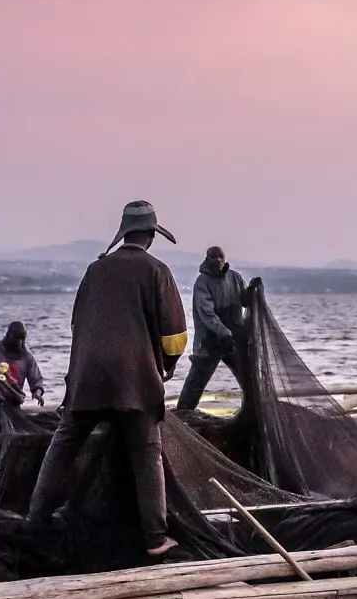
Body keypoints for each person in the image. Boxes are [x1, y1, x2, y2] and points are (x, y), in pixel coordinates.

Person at [26, 200, 190, 557]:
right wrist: (169, 365)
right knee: (147, 451)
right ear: (150, 235)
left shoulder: (94, 270)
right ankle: (155, 538)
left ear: (123, 233)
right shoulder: (156, 271)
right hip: (136, 383)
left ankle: (35, 519)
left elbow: (76, 324)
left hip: (85, 380)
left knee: (65, 442)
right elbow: (175, 336)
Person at [175, 245, 247, 413]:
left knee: (247, 379)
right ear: (207, 260)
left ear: (225, 258)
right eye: (213, 257)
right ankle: (183, 416)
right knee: (196, 382)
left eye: (220, 257)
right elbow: (207, 314)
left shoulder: (235, 278)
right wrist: (224, 333)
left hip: (233, 339)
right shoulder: (202, 282)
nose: (217, 260)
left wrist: (252, 292)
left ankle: (254, 409)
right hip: (209, 341)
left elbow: (244, 300)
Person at [0, 320, 46, 430]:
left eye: (21, 340)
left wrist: (37, 393)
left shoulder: (26, 357)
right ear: (7, 336)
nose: (19, 343)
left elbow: (36, 378)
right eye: (16, 340)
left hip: (12, 406)